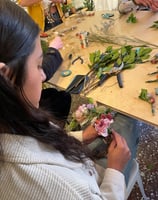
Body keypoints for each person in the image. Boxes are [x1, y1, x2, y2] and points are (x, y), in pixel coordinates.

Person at [0, 1, 131, 199]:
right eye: (38, 65)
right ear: (6, 76)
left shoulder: (14, 121)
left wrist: (80, 137)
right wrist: (116, 170)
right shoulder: (52, 185)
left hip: (82, 167)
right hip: (101, 184)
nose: (44, 76)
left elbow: (43, 145)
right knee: (127, 125)